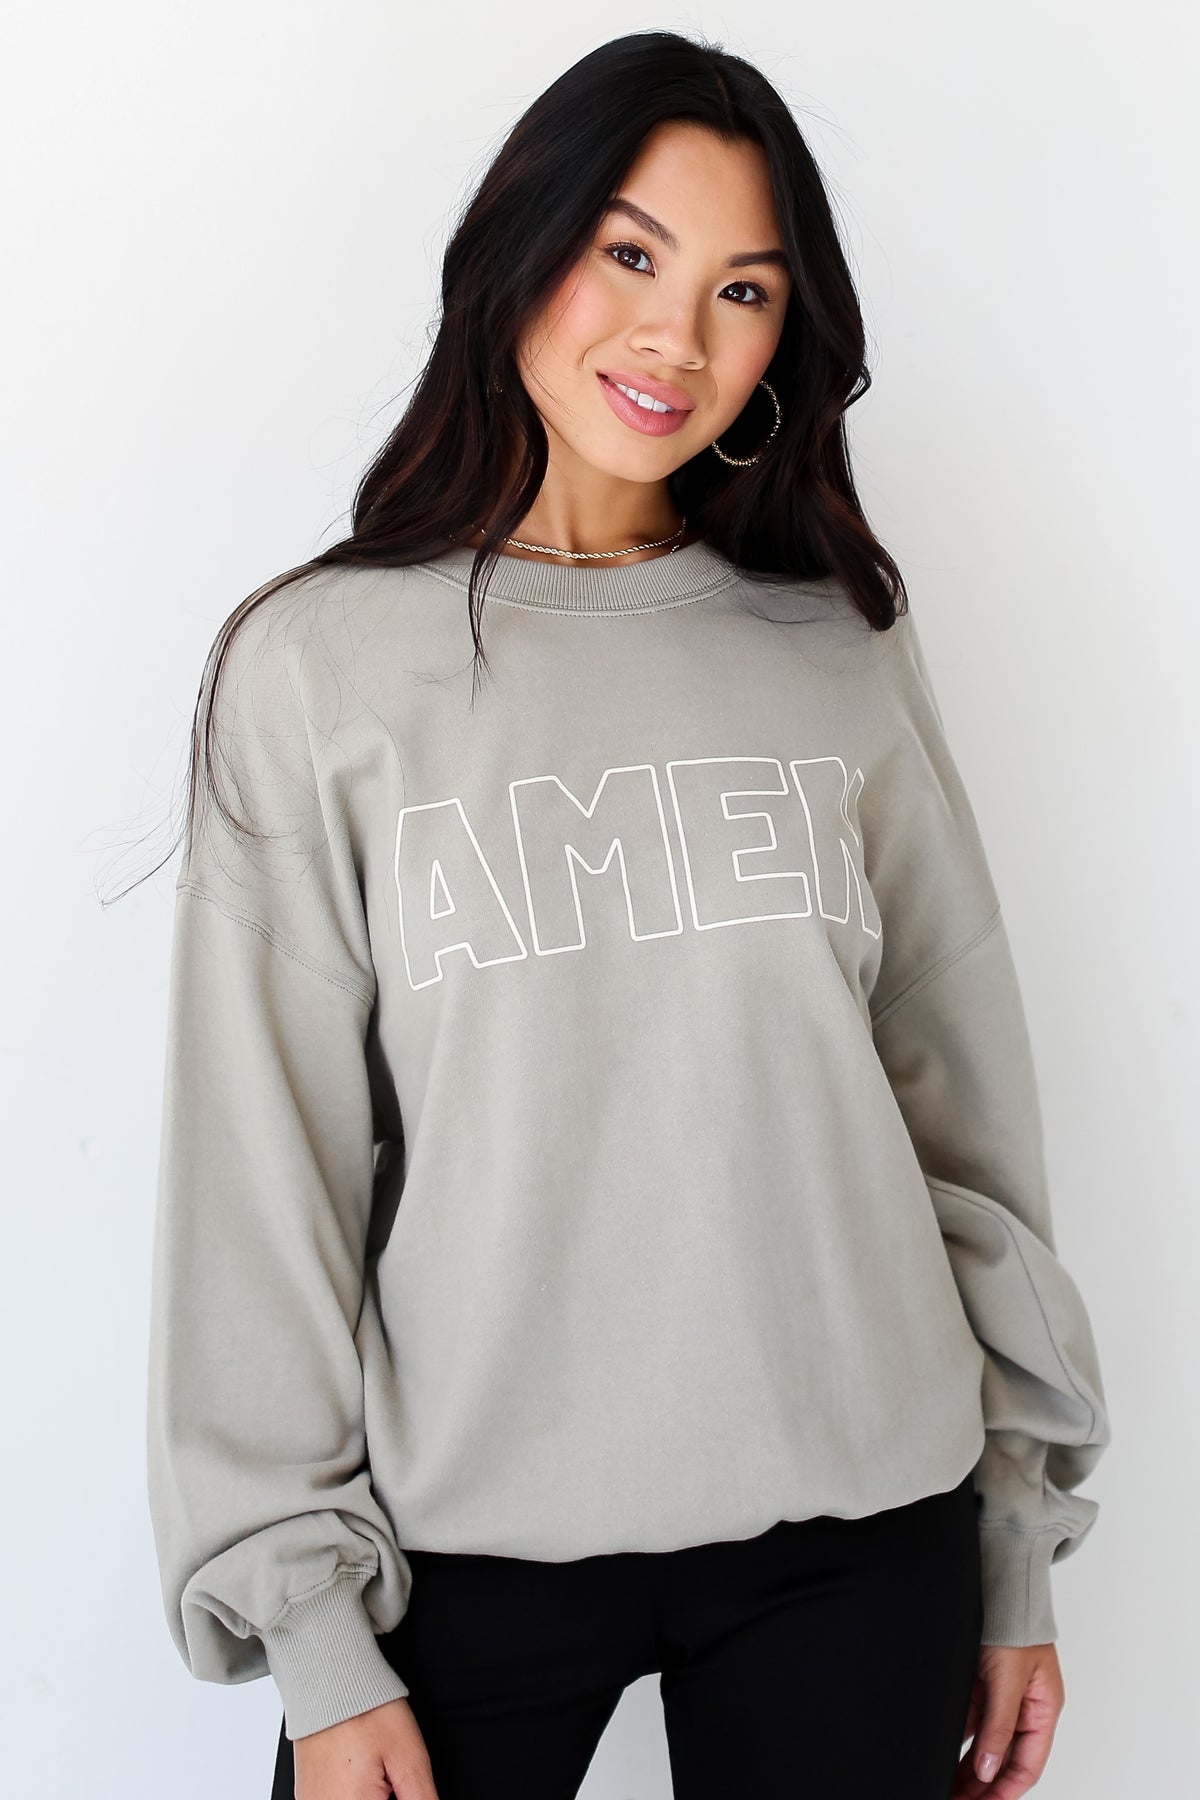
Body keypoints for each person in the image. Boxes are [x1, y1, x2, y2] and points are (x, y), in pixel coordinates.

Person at [145, 29, 1111, 1800]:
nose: (677, 336)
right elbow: (261, 1177)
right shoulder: (319, 667)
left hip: (862, 1526)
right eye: (631, 254)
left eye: (743, 289)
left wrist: (1015, 1539)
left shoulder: (834, 641)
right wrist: (310, 1633)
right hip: (466, 1550)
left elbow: (958, 1111)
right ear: (521, 251)